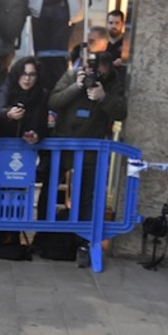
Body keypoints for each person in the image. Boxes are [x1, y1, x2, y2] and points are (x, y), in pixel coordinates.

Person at [37, 48, 126, 223]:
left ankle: (80, 240)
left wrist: (103, 98)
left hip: (90, 149)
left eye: (101, 72)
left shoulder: (113, 84)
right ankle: (44, 235)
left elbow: (121, 113)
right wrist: (76, 87)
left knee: (86, 197)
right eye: (92, 70)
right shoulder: (72, 76)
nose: (95, 76)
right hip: (61, 146)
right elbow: (53, 103)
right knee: (49, 193)